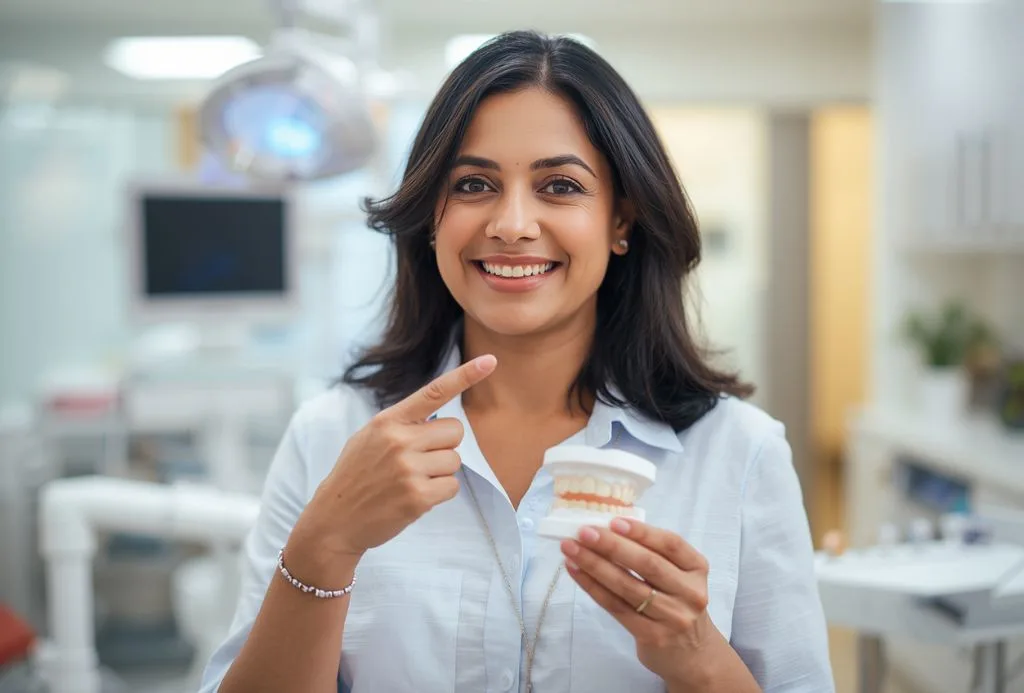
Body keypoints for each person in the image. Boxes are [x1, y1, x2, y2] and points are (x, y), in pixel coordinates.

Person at [200, 30, 834, 693]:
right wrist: (323, 550)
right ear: (432, 216)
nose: (511, 223)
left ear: (622, 219)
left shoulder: (738, 452)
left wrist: (698, 658)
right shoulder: (331, 436)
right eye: (474, 183)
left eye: (559, 185)